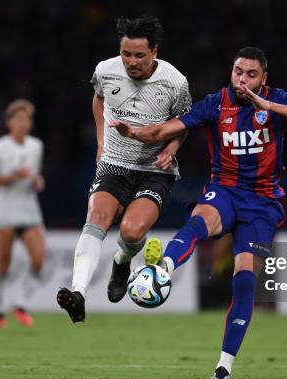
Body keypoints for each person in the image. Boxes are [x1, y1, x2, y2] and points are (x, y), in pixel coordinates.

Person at [112, 46, 287, 379]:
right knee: (199, 221)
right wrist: (136, 133)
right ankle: (163, 271)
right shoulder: (216, 103)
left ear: (264, 78)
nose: (243, 79)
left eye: (251, 74)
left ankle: (224, 367)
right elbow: (169, 128)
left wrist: (269, 106)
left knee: (243, 281)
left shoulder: (276, 99)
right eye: (238, 71)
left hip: (263, 202)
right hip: (224, 190)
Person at [56, 16, 192, 323]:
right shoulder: (105, 71)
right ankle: (78, 293)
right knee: (96, 218)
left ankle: (122, 260)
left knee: (131, 231)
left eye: (139, 55)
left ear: (154, 52)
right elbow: (98, 99)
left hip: (154, 171)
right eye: (126, 54)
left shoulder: (175, 82)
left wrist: (171, 150)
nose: (131, 62)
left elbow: (184, 124)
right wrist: (101, 142)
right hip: (114, 164)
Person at [0, 99, 46, 328]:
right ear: (9, 123)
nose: (24, 123)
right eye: (19, 118)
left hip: (29, 212)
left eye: (27, 118)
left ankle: (19, 304)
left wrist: (36, 181)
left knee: (38, 260)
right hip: (5, 214)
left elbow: (33, 176)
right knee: (3, 265)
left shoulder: (36, 146)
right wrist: (11, 177)